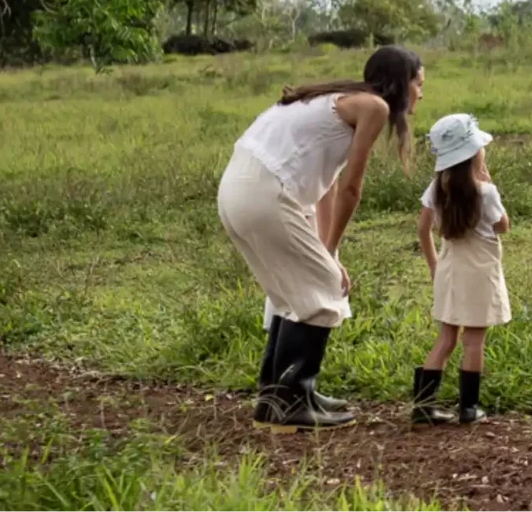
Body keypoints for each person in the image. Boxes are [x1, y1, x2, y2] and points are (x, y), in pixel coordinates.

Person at [219, 45, 424, 431]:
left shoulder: (334, 100)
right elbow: (350, 190)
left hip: (237, 189)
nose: (421, 93)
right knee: (320, 288)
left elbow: (326, 187)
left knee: (290, 292)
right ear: (401, 83)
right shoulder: (374, 108)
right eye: (419, 83)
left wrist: (328, 251)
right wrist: (328, 262)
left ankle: (277, 397)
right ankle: (293, 396)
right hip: (266, 191)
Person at [410, 113, 512, 425]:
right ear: (473, 154)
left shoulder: (436, 190)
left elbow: (423, 229)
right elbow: (503, 227)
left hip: (449, 268)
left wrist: (433, 265)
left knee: (446, 338)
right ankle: (469, 408)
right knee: (474, 340)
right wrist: (489, 181)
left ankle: (423, 406)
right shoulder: (485, 192)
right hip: (479, 272)